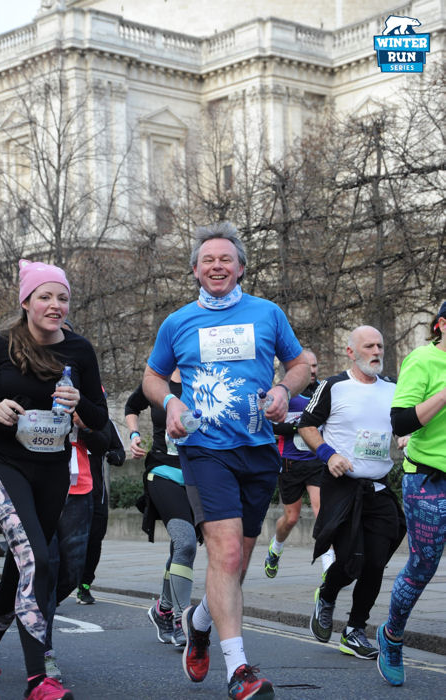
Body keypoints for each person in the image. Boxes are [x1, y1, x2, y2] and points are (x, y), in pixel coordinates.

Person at [142, 222, 309, 700]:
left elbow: (299, 363)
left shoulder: (268, 314)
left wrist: (282, 389)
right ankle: (238, 669)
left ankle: (198, 622)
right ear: (195, 269)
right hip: (205, 449)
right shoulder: (177, 322)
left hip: (257, 449)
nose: (217, 266)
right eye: (208, 260)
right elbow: (152, 377)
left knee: (235, 566)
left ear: (240, 267)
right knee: (227, 552)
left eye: (226, 259)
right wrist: (170, 403)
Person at [0, 259, 108, 700]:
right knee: (40, 559)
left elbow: (100, 418)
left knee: (20, 569)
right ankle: (39, 679)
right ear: (27, 302)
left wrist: (80, 406)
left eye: (62, 297)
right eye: (45, 297)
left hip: (53, 469)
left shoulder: (80, 351)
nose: (56, 306)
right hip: (2, 463)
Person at [298, 325, 405, 660]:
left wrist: (406, 437)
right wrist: (329, 455)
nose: (377, 352)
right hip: (342, 486)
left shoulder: (393, 388)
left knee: (374, 561)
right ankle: (327, 595)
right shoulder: (334, 386)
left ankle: (355, 630)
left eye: (380, 346)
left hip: (377, 486)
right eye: (369, 346)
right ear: (351, 352)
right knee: (349, 560)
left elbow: (403, 424)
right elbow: (306, 424)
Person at [377, 301, 446, 686]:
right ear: (442, 325)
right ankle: (392, 635)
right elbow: (400, 421)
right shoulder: (422, 361)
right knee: (423, 566)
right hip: (428, 481)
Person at [125, 368, 198, 647]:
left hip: (198, 474)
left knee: (180, 549)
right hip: (163, 471)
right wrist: (134, 435)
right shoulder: (157, 381)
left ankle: (162, 610)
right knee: (186, 543)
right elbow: (132, 407)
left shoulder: (204, 378)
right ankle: (181, 620)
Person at [265, 350, 335, 578]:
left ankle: (329, 568)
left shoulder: (323, 392)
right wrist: (300, 426)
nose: (313, 370)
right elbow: (272, 427)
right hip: (290, 463)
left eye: (315, 365)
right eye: (308, 366)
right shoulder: (284, 393)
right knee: (291, 518)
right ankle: (275, 549)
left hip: (316, 461)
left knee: (321, 511)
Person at [44, 412, 95, 681]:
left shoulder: (86, 384)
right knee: (47, 571)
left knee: (73, 572)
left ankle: (34, 610)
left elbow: (104, 436)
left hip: (78, 486)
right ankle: (44, 651)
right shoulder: (28, 373)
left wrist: (85, 425)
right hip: (38, 480)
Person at [75, 413, 125, 605]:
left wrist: (114, 456)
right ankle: (54, 586)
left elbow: (119, 453)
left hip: (95, 491)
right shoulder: (58, 415)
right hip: (65, 489)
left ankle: (85, 585)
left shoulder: (102, 422)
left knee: (95, 539)